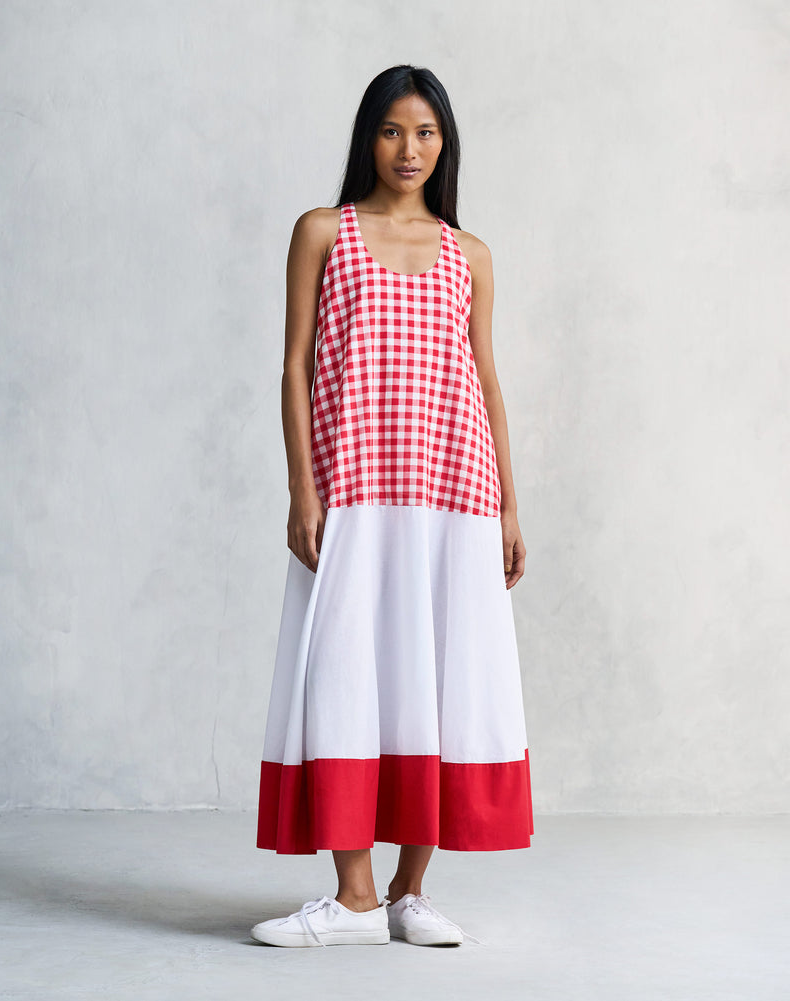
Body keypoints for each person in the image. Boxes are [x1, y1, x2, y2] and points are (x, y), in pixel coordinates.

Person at [250, 64, 533, 949]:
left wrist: (509, 507)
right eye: (391, 130)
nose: (409, 149)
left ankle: (410, 891)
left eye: (426, 132)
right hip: (355, 491)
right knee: (345, 667)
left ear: (445, 144)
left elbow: (486, 380)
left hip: (454, 494)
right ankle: (353, 896)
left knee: (437, 673)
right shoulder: (321, 233)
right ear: (366, 137)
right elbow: (295, 365)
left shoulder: (469, 253)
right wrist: (302, 488)